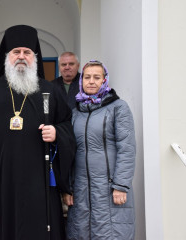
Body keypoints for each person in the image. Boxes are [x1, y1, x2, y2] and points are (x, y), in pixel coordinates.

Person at [0, 25, 76, 240]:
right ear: (7, 57)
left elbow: (67, 126)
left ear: (35, 57)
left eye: (27, 52)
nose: (21, 57)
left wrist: (56, 133)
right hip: (0, 179)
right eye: (16, 52)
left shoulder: (50, 91)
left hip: (40, 180)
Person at [64, 60, 136, 239]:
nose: (91, 81)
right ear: (81, 81)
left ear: (105, 80)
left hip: (109, 189)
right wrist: (68, 187)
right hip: (80, 191)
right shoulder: (75, 113)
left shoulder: (118, 108)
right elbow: (69, 153)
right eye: (87, 77)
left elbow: (127, 148)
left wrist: (121, 185)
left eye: (97, 77)